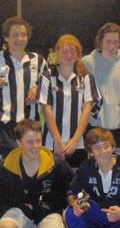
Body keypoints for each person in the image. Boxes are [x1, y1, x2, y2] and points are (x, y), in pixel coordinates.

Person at [0, 119, 73, 228]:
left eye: (38, 141)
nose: (35, 147)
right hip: (21, 211)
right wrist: (19, 201)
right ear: (19, 143)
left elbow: (70, 191)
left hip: (48, 211)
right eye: (29, 142)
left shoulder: (57, 165)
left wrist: (64, 214)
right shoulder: (8, 166)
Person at [0, 16, 47, 174]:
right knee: (4, 173)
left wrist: (37, 87)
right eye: (15, 35)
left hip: (31, 127)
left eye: (23, 34)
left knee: (31, 171)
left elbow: (48, 86)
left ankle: (29, 199)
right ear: (6, 37)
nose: (20, 39)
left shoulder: (38, 60)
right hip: (4, 126)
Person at [39, 34, 101, 169]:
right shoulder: (47, 76)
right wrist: (57, 140)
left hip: (77, 143)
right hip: (52, 141)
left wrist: (75, 139)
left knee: (75, 182)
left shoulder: (85, 77)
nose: (68, 55)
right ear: (57, 53)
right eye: (64, 51)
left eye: (72, 51)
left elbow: (87, 109)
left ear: (78, 54)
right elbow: (46, 110)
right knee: (52, 182)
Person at [81, 22, 120, 161]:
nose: (112, 45)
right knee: (98, 167)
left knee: (119, 168)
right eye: (108, 41)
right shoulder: (87, 62)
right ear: (100, 41)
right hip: (97, 125)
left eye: (115, 42)